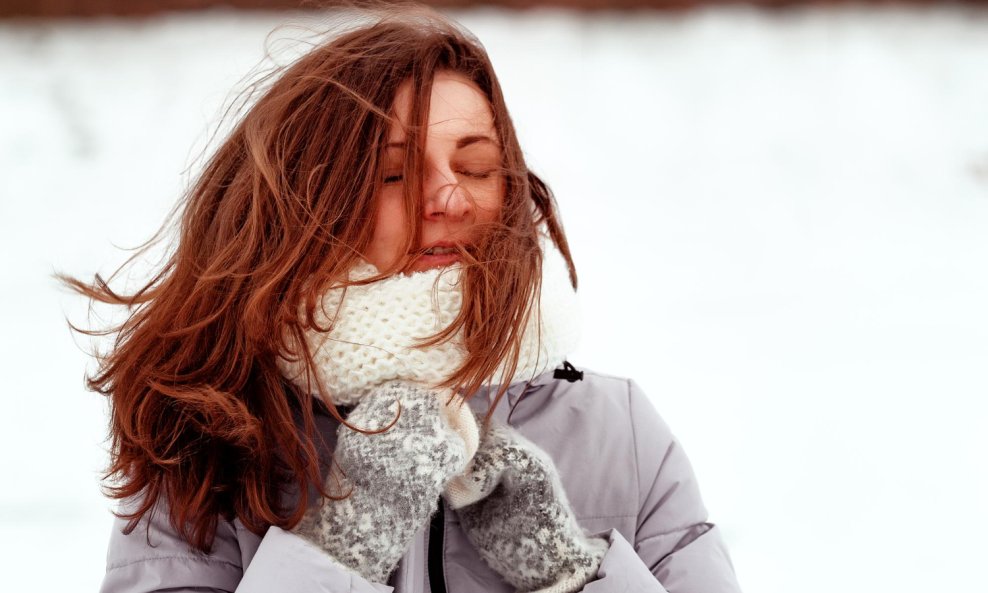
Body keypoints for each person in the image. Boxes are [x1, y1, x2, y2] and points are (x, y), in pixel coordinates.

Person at [66, 7, 743, 593]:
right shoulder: (215, 436)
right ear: (311, 205)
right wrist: (340, 544)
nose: (448, 197)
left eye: (475, 167)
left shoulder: (618, 430)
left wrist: (570, 573)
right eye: (394, 173)